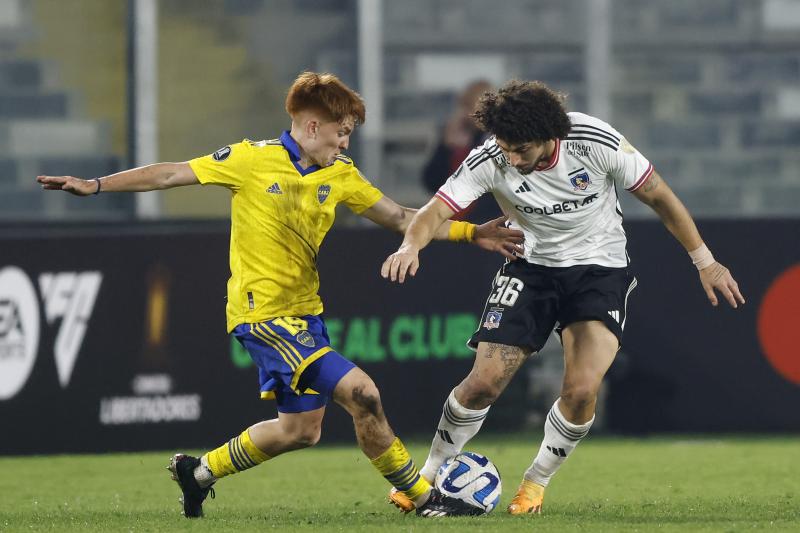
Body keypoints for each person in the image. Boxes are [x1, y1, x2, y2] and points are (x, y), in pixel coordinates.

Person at [37, 72, 524, 519]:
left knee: (300, 430)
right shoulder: (250, 159)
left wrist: (470, 233)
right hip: (264, 317)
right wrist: (95, 185)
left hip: (305, 315)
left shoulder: (340, 174)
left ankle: (197, 472)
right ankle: (425, 499)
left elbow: (398, 217)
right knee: (364, 395)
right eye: (342, 131)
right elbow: (170, 174)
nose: (346, 141)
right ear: (312, 127)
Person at [381, 80, 745, 515]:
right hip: (530, 270)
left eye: (521, 149)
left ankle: (534, 485)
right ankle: (428, 474)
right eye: (506, 148)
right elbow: (434, 211)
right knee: (482, 384)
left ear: (550, 135)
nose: (512, 159)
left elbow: (659, 196)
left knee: (581, 390)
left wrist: (705, 261)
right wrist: (410, 246)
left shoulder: (595, 141)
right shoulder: (491, 157)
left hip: (599, 271)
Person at [421, 79, 500, 223]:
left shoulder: (500, 139)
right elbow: (431, 181)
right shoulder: (456, 137)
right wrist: (446, 147)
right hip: (458, 224)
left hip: (490, 222)